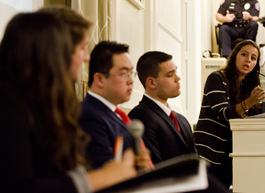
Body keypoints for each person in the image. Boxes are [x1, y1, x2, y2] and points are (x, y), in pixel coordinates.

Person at [0, 12, 137, 193]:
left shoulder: (46, 103)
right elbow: (18, 187)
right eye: (82, 48)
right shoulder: (7, 102)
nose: (87, 57)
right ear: (54, 52)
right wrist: (102, 177)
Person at [194, 40, 265, 188]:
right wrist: (248, 103)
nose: (248, 60)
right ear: (234, 56)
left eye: (253, 58)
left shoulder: (247, 86)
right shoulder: (216, 78)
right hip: (210, 150)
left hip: (231, 150)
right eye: (244, 54)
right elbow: (223, 113)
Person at [78, 41, 153, 171]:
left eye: (131, 73)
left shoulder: (114, 114)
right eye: (124, 74)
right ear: (100, 79)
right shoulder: (88, 115)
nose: (131, 81)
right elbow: (104, 171)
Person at [128, 51, 197, 164]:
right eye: (170, 75)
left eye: (176, 72)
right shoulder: (140, 116)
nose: (178, 78)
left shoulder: (181, 120)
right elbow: (154, 166)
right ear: (151, 83)